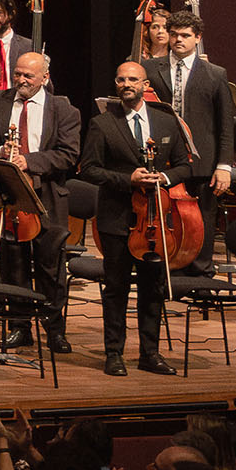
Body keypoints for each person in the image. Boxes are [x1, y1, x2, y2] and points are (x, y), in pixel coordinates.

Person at [78, 61, 196, 378]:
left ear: (145, 85)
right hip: (117, 219)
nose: (126, 84)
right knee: (115, 289)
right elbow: (88, 169)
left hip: (156, 220)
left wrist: (165, 177)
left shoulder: (165, 120)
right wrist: (127, 178)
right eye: (120, 79)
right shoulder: (102, 124)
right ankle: (113, 354)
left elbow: (185, 167)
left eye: (132, 79)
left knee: (152, 289)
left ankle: (150, 353)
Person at [0, 50, 82, 354]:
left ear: (44, 78)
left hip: (48, 194)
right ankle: (20, 327)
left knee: (51, 267)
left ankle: (54, 329)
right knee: (14, 264)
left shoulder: (64, 109)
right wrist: (1, 152)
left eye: (29, 75)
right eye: (18, 73)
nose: (21, 80)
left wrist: (29, 160)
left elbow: (69, 154)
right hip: (11, 196)